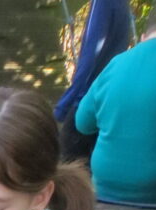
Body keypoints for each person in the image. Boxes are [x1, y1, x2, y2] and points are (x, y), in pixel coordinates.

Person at [75, 1, 156, 210]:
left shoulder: (117, 63)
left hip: (109, 185)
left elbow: (83, 123)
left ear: (144, 36)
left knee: (126, 184)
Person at [54, 0, 132, 163]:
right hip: (107, 98)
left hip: (86, 100)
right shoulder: (122, 3)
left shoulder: (103, 3)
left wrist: (65, 105)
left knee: (68, 175)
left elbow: (91, 55)